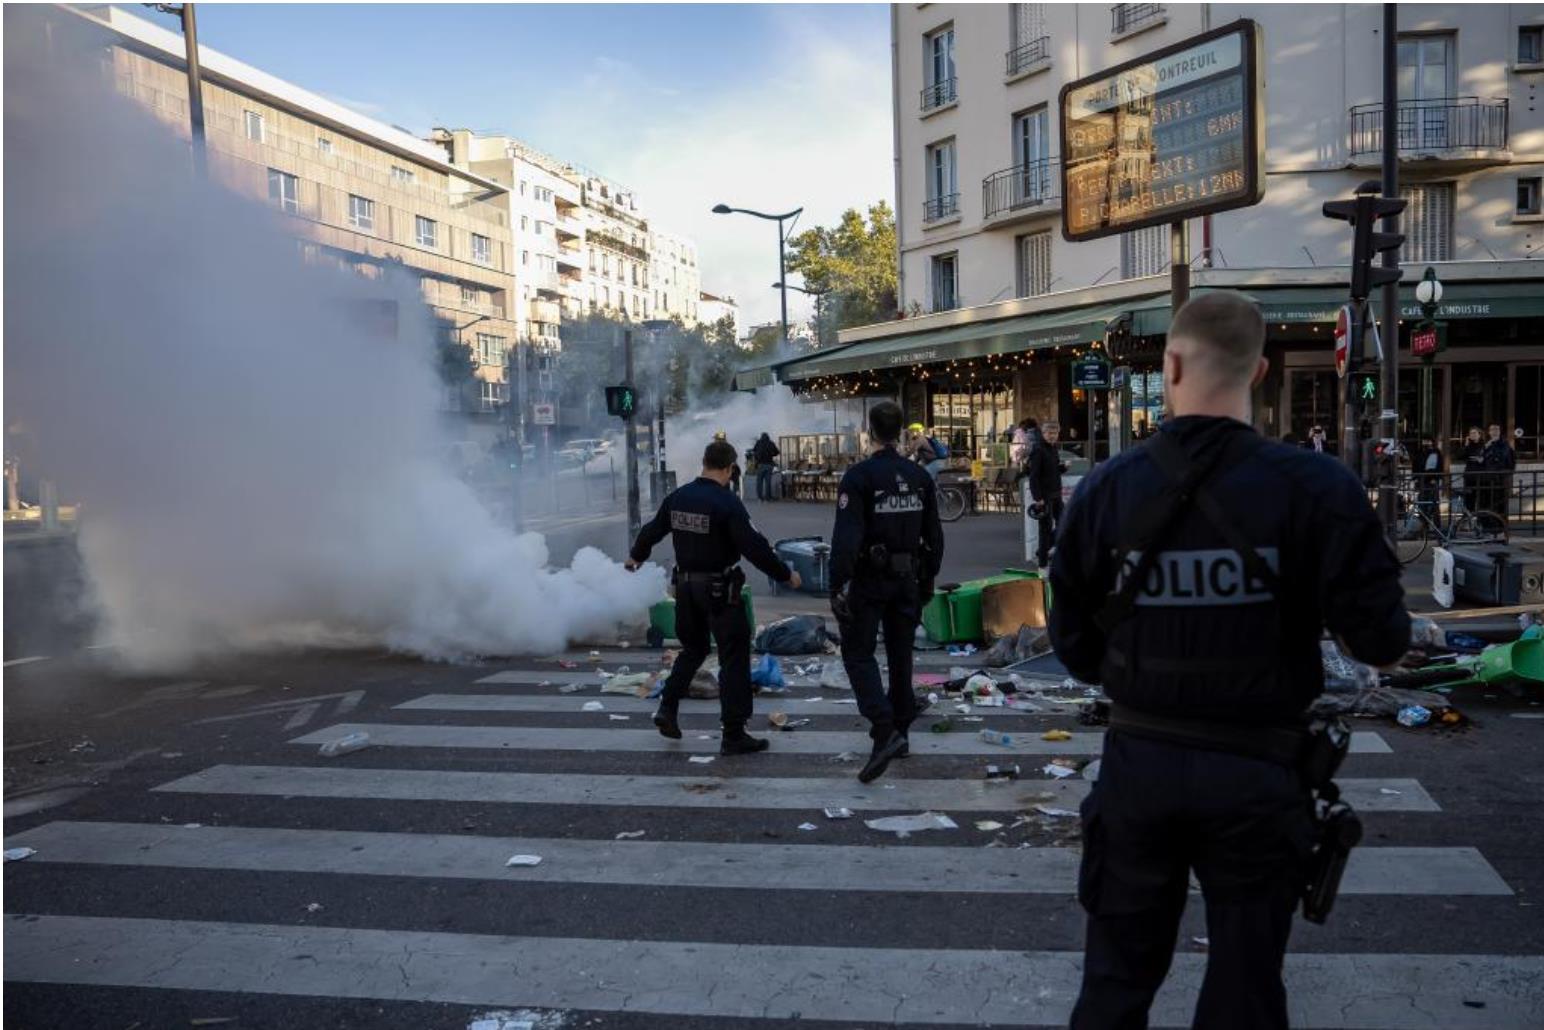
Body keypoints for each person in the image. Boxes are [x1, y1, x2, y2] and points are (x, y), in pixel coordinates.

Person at [1049, 292, 1410, 1030]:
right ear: (1263, 371)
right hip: (1261, 771)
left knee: (1115, 981)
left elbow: (1074, 645)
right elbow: (1382, 640)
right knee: (1247, 986)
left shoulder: (1107, 488)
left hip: (1139, 763)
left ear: (1172, 363)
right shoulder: (1317, 488)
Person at [626, 439, 801, 755]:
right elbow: (754, 547)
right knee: (733, 656)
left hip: (686, 589)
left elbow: (652, 530)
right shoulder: (726, 503)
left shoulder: (678, 497)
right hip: (719, 590)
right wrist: (785, 575)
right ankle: (733, 733)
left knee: (693, 649)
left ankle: (667, 707)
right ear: (730, 468)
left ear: (704, 463)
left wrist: (635, 557)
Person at [830, 401, 945, 784]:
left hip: (869, 579)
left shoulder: (859, 477)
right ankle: (902, 732)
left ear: (869, 430)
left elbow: (846, 539)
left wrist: (837, 585)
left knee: (859, 654)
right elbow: (935, 536)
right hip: (908, 579)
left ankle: (884, 730)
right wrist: (927, 579)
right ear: (900, 433)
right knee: (901, 658)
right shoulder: (919, 476)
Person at [1026, 421, 1064, 569]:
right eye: (1049, 433)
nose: (1052, 436)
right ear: (1043, 434)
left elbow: (1053, 471)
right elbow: (1034, 476)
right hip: (1045, 496)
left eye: (1055, 433)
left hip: (1056, 493)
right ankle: (1042, 564)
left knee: (1064, 523)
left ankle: (1042, 551)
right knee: (1045, 529)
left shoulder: (1053, 448)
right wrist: (1038, 498)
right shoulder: (1038, 450)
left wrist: (1062, 468)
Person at [1482, 423, 1516, 516]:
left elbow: (1503, 459)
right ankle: (1492, 526)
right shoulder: (1487, 445)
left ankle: (1502, 527)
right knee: (1490, 503)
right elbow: (1482, 459)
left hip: (1501, 478)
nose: (1494, 432)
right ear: (1489, 432)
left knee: (1501, 503)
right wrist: (1485, 447)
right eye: (1492, 430)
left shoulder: (1505, 444)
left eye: (1496, 429)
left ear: (1500, 432)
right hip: (1489, 479)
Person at [1415, 436, 1443, 525]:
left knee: (1434, 504)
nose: (1426, 443)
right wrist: (1416, 477)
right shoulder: (1420, 452)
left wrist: (1435, 478)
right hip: (1422, 480)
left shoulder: (1436, 452)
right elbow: (1416, 464)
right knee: (1422, 504)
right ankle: (1424, 526)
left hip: (1432, 480)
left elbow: (1439, 466)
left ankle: (1436, 526)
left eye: (1428, 441)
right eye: (1424, 441)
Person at [1459, 425, 1485, 514]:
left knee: (1482, 499)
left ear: (1479, 434)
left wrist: (1481, 459)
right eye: (1470, 433)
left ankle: (1481, 519)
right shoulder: (1468, 446)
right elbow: (1460, 456)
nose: (1472, 435)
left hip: (1481, 476)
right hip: (1469, 475)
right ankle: (1468, 519)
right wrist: (1466, 445)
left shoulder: (1484, 445)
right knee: (1469, 499)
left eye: (1474, 433)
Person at [712, 431, 743, 497]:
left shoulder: (713, 448)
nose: (715, 440)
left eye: (716, 439)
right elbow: (735, 456)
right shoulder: (729, 447)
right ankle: (734, 495)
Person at [752, 432, 780, 502]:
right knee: (768, 482)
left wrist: (757, 458)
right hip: (769, 465)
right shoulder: (771, 443)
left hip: (760, 465)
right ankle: (768, 498)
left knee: (759, 482)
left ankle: (760, 498)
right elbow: (777, 452)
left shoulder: (758, 443)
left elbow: (754, 451)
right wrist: (771, 454)